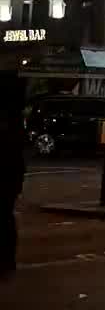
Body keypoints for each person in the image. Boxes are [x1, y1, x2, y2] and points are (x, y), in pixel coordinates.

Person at [0, 74, 26, 278]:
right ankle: (7, 260)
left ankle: (6, 260)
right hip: (11, 176)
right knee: (5, 218)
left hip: (7, 177)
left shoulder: (8, 125)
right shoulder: (14, 122)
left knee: (4, 217)